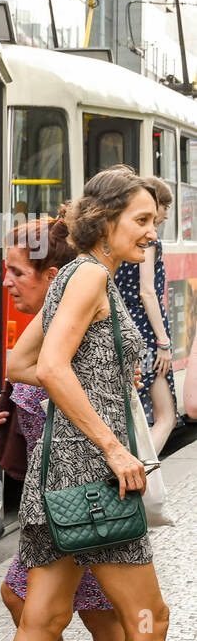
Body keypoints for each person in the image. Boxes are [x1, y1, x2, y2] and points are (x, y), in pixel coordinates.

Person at [0, 166, 197, 641]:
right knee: (149, 622)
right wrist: (112, 443)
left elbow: (25, 363)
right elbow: (50, 366)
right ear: (105, 219)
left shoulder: (76, 275)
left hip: (60, 479)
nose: (152, 231)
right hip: (97, 483)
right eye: (141, 220)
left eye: (155, 221)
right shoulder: (87, 276)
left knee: (41, 619)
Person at [0, 215, 147, 641]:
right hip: (68, 505)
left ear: (52, 276)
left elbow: (87, 391)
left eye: (17, 273)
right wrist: (8, 409)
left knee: (111, 621)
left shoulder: (76, 321)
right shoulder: (56, 325)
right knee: (69, 612)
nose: (7, 283)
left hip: (82, 503)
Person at [113, 175, 178, 452]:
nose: (163, 216)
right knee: (166, 417)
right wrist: (163, 342)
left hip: (127, 325)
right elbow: (147, 291)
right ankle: (137, 474)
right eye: (165, 207)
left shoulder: (122, 238)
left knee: (140, 415)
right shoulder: (148, 241)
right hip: (146, 332)